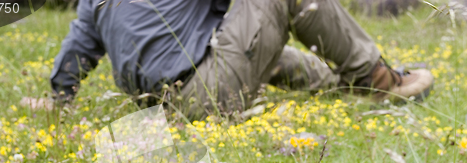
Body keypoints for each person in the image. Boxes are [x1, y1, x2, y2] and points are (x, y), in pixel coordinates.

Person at [50, 0, 434, 120]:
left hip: (158, 110)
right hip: (202, 95)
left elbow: (76, 48)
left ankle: (341, 87)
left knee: (265, 48)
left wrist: (58, 101)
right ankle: (378, 80)